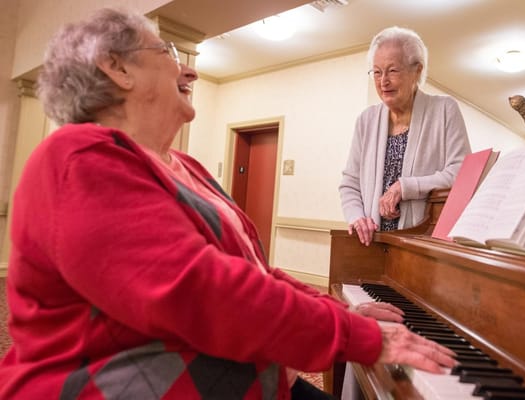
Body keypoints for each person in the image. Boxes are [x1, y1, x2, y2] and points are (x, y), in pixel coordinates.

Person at [0, 8, 457, 399]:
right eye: (169, 54)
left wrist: (341, 311)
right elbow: (203, 291)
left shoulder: (184, 165)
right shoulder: (78, 158)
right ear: (117, 68)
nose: (191, 70)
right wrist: (359, 336)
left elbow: (255, 273)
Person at [339, 26, 472, 246]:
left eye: (393, 70)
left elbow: (461, 174)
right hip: (372, 244)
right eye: (377, 72)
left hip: (423, 244)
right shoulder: (366, 119)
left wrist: (405, 187)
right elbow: (350, 184)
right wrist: (357, 217)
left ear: (417, 71)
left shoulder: (444, 109)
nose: (383, 82)